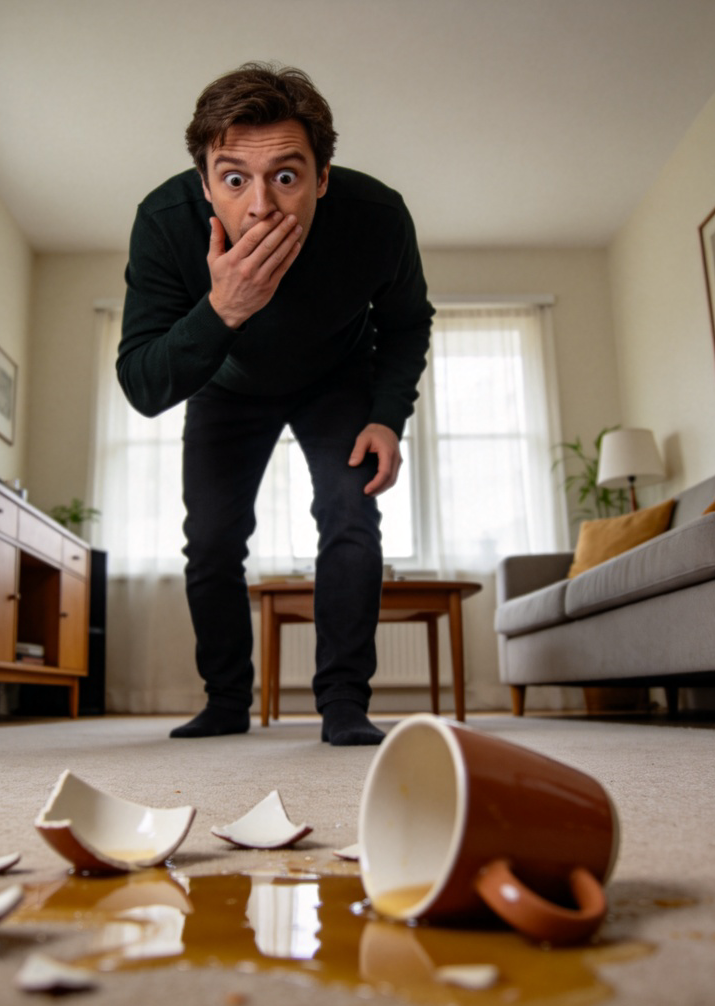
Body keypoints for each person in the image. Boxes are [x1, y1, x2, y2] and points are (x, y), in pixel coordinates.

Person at [118, 62, 434, 745]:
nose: (261, 206)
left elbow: (408, 322)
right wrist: (222, 311)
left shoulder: (377, 218)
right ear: (205, 184)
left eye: (286, 177)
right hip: (224, 385)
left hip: (337, 377)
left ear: (322, 177)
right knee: (210, 538)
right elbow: (143, 386)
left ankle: (345, 704)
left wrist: (386, 415)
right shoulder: (165, 225)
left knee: (351, 515)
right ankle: (227, 700)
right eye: (234, 179)